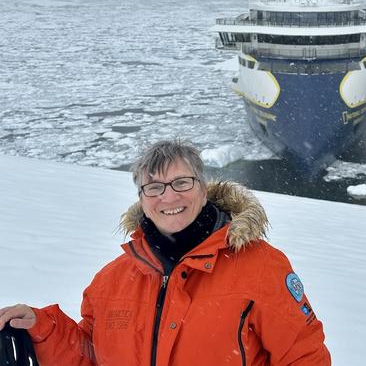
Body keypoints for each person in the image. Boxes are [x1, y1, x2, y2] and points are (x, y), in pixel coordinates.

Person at [0, 139, 331, 365]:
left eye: (182, 183)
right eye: (154, 187)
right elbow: (91, 355)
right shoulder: (112, 280)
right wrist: (40, 327)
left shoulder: (261, 268)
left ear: (203, 188)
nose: (168, 198)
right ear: (142, 199)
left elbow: (303, 357)